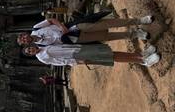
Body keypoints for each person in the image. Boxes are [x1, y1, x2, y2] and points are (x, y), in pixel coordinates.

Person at [17, 15, 153, 46]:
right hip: (74, 39)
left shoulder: (36, 28)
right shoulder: (40, 46)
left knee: (106, 24)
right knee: (106, 36)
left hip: (73, 28)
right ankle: (135, 34)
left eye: (23, 37)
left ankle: (139, 21)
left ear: (25, 34)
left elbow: (51, 20)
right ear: (26, 43)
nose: (25, 39)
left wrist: (63, 28)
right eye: (23, 41)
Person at [22, 43, 160, 67]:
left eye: (29, 48)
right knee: (110, 57)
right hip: (77, 57)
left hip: (77, 49)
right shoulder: (42, 57)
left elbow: (62, 46)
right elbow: (59, 61)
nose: (31, 50)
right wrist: (77, 62)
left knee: (109, 52)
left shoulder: (43, 47)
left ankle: (140, 55)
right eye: (29, 52)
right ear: (30, 55)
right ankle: (143, 61)